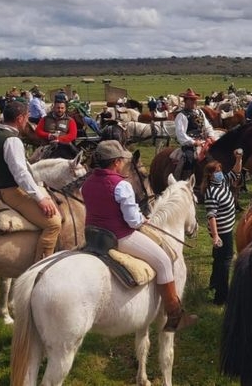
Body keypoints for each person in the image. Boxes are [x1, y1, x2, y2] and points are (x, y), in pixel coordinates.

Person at [82, 140, 197, 331]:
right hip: (118, 237)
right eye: (122, 160)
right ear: (116, 162)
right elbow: (132, 221)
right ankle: (174, 313)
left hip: (93, 235)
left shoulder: (87, 183)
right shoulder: (121, 185)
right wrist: (141, 219)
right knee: (164, 261)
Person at [0, 101, 61, 264]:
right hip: (13, 192)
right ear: (20, 118)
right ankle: (41, 266)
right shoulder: (12, 140)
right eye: (27, 117)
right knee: (53, 223)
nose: (28, 121)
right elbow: (21, 173)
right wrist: (40, 199)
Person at [202, 150, 243, 305]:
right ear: (210, 175)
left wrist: (238, 159)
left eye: (220, 170)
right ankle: (222, 296)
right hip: (222, 231)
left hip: (226, 228)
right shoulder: (211, 192)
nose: (220, 173)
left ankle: (214, 284)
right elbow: (211, 216)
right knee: (225, 261)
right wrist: (216, 236)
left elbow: (235, 172)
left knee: (218, 258)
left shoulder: (223, 181)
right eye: (216, 171)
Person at [174, 88, 217, 180]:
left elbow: (207, 126)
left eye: (194, 99)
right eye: (191, 99)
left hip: (204, 141)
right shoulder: (181, 116)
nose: (194, 101)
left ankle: (219, 180)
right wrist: (193, 142)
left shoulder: (200, 112)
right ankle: (186, 181)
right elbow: (180, 134)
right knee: (189, 159)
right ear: (185, 101)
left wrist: (211, 135)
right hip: (190, 145)